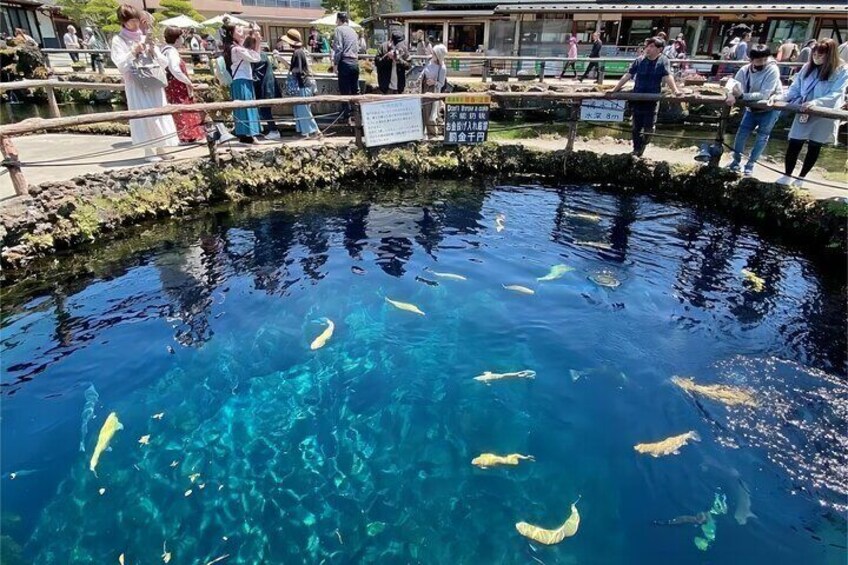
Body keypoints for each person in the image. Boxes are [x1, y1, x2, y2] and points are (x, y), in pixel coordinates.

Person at [774, 38, 848, 188]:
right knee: (794, 142)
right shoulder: (808, 67)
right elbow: (795, 87)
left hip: (824, 113)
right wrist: (780, 97)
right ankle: (787, 174)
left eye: (821, 55)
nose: (817, 58)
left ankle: (801, 177)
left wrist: (816, 103)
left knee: (815, 145)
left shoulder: (841, 70)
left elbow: (837, 93)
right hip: (804, 110)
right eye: (815, 54)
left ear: (830, 55)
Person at [110, 4, 178, 162]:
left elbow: (163, 62)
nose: (134, 24)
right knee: (143, 114)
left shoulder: (144, 36)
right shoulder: (118, 40)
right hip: (136, 83)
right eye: (130, 21)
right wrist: (133, 52)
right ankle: (148, 151)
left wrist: (153, 50)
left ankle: (162, 148)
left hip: (153, 80)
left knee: (160, 113)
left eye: (136, 20)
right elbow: (120, 65)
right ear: (123, 22)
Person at [609, 36, 681, 157]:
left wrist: (675, 91)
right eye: (647, 46)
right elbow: (628, 75)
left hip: (652, 99)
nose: (648, 49)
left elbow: (668, 76)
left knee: (649, 128)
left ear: (660, 49)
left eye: (652, 46)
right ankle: (636, 149)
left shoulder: (663, 61)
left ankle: (643, 144)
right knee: (636, 126)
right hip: (638, 97)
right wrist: (615, 89)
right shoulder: (639, 60)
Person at [724, 44, 783, 176]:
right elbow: (732, 84)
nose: (761, 63)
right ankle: (736, 162)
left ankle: (750, 164)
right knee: (741, 134)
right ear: (751, 59)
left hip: (769, 109)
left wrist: (742, 96)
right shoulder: (745, 70)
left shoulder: (772, 70)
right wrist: (730, 94)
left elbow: (765, 94)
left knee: (762, 136)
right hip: (751, 109)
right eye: (758, 60)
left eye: (764, 60)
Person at [161, 26, 205, 144]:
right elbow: (175, 69)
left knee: (179, 109)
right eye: (181, 37)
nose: (182, 39)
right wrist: (187, 81)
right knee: (183, 109)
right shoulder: (171, 52)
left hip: (172, 85)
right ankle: (187, 135)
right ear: (177, 38)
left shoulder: (165, 50)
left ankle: (184, 134)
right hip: (177, 86)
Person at [221, 18, 262, 143]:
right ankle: (250, 134)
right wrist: (258, 40)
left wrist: (252, 34)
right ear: (231, 34)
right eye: (238, 31)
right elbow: (256, 58)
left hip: (240, 79)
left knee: (242, 108)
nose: (242, 33)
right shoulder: (237, 49)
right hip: (242, 79)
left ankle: (245, 135)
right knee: (247, 107)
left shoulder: (233, 47)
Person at [283, 29, 320, 139]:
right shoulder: (300, 51)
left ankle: (314, 132)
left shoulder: (297, 52)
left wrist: (291, 71)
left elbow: (298, 70)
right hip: (303, 84)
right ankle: (305, 133)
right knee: (301, 110)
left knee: (303, 110)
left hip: (302, 85)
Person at [247, 29, 281, 140]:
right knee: (264, 110)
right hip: (268, 86)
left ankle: (274, 130)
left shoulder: (259, 57)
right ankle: (271, 129)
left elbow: (257, 75)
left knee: (265, 110)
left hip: (265, 87)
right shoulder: (263, 55)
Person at [333, 12, 360, 123]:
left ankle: (346, 117)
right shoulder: (353, 31)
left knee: (344, 92)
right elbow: (357, 48)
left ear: (339, 20)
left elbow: (339, 48)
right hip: (355, 62)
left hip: (345, 62)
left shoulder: (339, 30)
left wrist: (335, 64)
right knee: (355, 91)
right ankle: (357, 115)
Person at [419, 43, 447, 138]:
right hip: (423, 87)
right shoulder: (429, 61)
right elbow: (424, 70)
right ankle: (421, 132)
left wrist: (434, 82)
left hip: (433, 90)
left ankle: (432, 134)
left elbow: (441, 84)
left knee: (430, 113)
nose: (433, 54)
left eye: (435, 53)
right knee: (421, 111)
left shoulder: (442, 68)